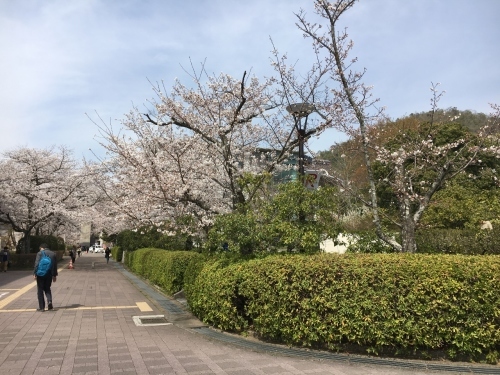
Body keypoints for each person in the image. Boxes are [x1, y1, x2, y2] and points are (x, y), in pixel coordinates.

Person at [33, 243, 58, 311]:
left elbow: (36, 264)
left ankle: (42, 307)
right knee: (47, 288)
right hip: (49, 274)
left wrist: (35, 273)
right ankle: (49, 302)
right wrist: (54, 275)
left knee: (40, 290)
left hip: (40, 274)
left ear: (42, 248)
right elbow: (55, 266)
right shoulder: (53, 254)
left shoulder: (40, 253)